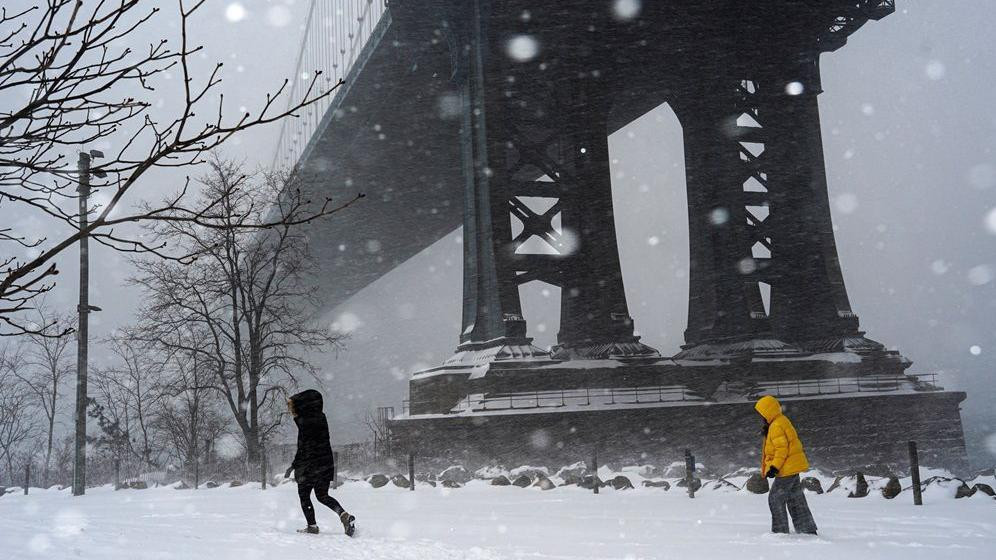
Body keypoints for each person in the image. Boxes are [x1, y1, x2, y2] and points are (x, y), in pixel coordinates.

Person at [285, 389, 355, 536]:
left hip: (309, 465)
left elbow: (304, 447)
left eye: (293, 407)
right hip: (325, 463)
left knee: (304, 496)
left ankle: (312, 526)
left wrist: (295, 465)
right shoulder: (320, 418)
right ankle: (344, 516)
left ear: (302, 405)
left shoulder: (305, 421)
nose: (291, 411)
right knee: (322, 495)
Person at [755, 395, 818, 535]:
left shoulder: (776, 425)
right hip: (792, 467)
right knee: (795, 499)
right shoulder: (779, 421)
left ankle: (780, 532)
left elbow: (781, 450)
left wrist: (774, 467)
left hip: (786, 468)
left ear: (768, 412)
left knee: (775, 499)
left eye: (761, 413)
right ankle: (807, 529)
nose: (760, 416)